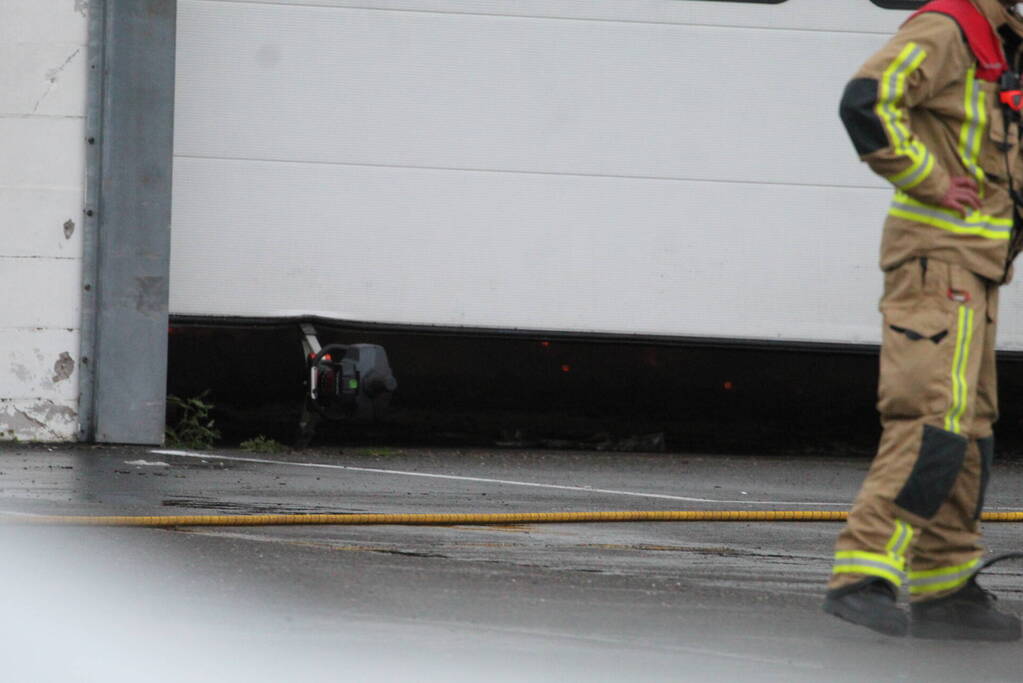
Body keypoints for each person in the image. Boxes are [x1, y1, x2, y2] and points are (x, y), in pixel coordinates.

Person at [824, 0, 1023, 641]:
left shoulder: (1004, 41)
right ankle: (862, 575)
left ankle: (946, 589)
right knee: (932, 416)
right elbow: (866, 101)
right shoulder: (949, 28)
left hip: (977, 266)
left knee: (970, 429)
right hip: (937, 264)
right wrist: (928, 179)